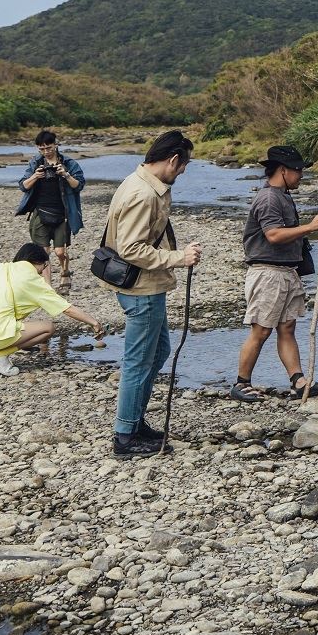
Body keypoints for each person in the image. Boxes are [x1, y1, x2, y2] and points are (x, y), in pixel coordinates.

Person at [99, 130, 203, 458]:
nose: (184, 171)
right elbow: (130, 248)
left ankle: (134, 422)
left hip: (147, 286)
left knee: (156, 354)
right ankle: (125, 436)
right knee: (139, 360)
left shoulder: (147, 185)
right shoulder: (143, 193)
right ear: (173, 159)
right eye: (184, 164)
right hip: (141, 288)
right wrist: (178, 258)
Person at [231, 146, 318, 403]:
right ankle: (241, 383)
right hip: (268, 273)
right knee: (261, 330)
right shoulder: (269, 198)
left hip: (286, 271)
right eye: (297, 170)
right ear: (283, 170)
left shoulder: (283, 195)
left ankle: (299, 381)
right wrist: (309, 227)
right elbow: (273, 235)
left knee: (287, 328)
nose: (300, 175)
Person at [0, 241, 104, 375]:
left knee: (6, 317)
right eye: (44, 266)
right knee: (48, 328)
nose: (42, 271)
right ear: (37, 262)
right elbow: (67, 308)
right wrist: (94, 322)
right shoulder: (33, 280)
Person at [15, 130, 85, 295]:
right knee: (43, 251)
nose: (46, 151)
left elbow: (79, 185)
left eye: (49, 147)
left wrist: (65, 174)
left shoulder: (69, 163)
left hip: (62, 213)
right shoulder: (35, 163)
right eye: (42, 149)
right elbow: (23, 186)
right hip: (41, 212)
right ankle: (48, 286)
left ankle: (65, 271)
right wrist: (35, 176)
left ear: (56, 144)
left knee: (60, 251)